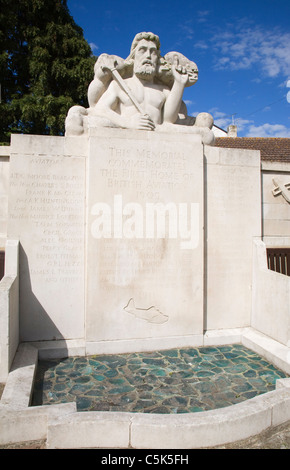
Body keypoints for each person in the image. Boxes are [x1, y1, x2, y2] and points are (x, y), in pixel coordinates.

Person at [65, 32, 215, 145]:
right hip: (123, 131)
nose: (148, 56)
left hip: (158, 133)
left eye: (153, 52)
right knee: (82, 122)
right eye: (142, 50)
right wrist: (128, 123)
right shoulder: (120, 84)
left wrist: (179, 83)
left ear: (158, 60)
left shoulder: (163, 90)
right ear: (133, 56)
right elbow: (101, 109)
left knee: (206, 135)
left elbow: (168, 120)